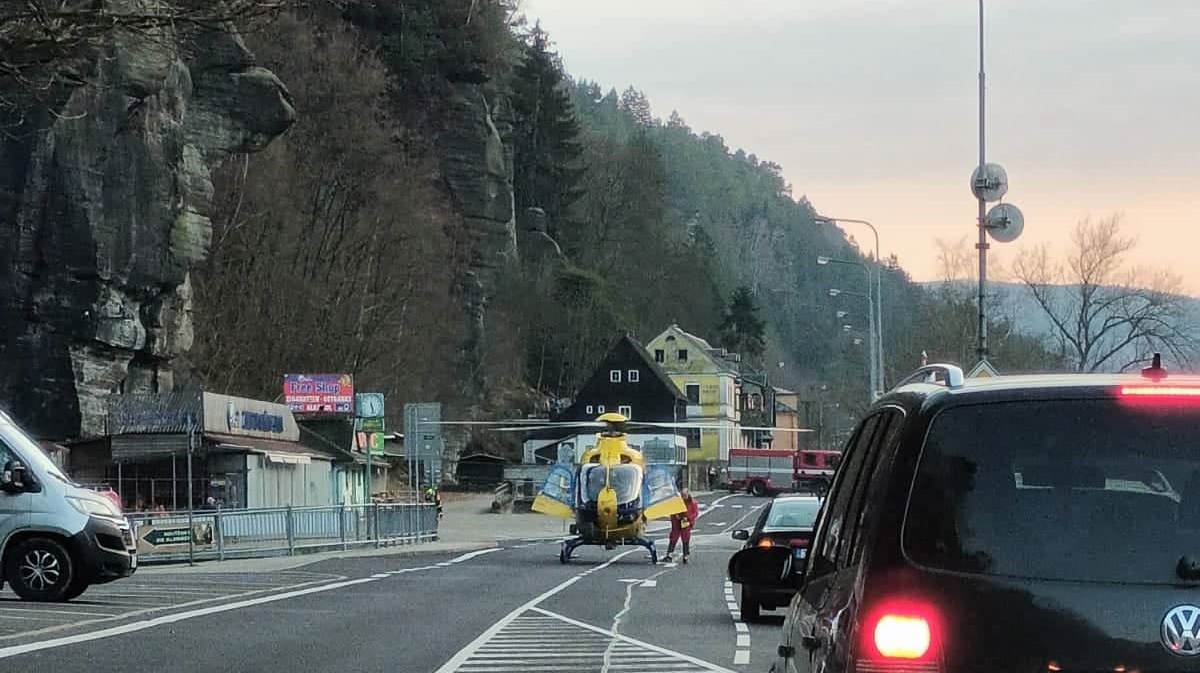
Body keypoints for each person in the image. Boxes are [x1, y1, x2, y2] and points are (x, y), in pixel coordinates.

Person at [663, 487, 701, 564]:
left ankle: (685, 555)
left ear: (688, 494)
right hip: (676, 521)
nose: (683, 497)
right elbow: (672, 510)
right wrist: (675, 515)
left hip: (686, 522)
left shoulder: (693, 503)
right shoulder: (677, 501)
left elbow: (695, 513)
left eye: (685, 495)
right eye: (682, 495)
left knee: (685, 538)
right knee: (674, 536)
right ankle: (669, 554)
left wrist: (688, 518)